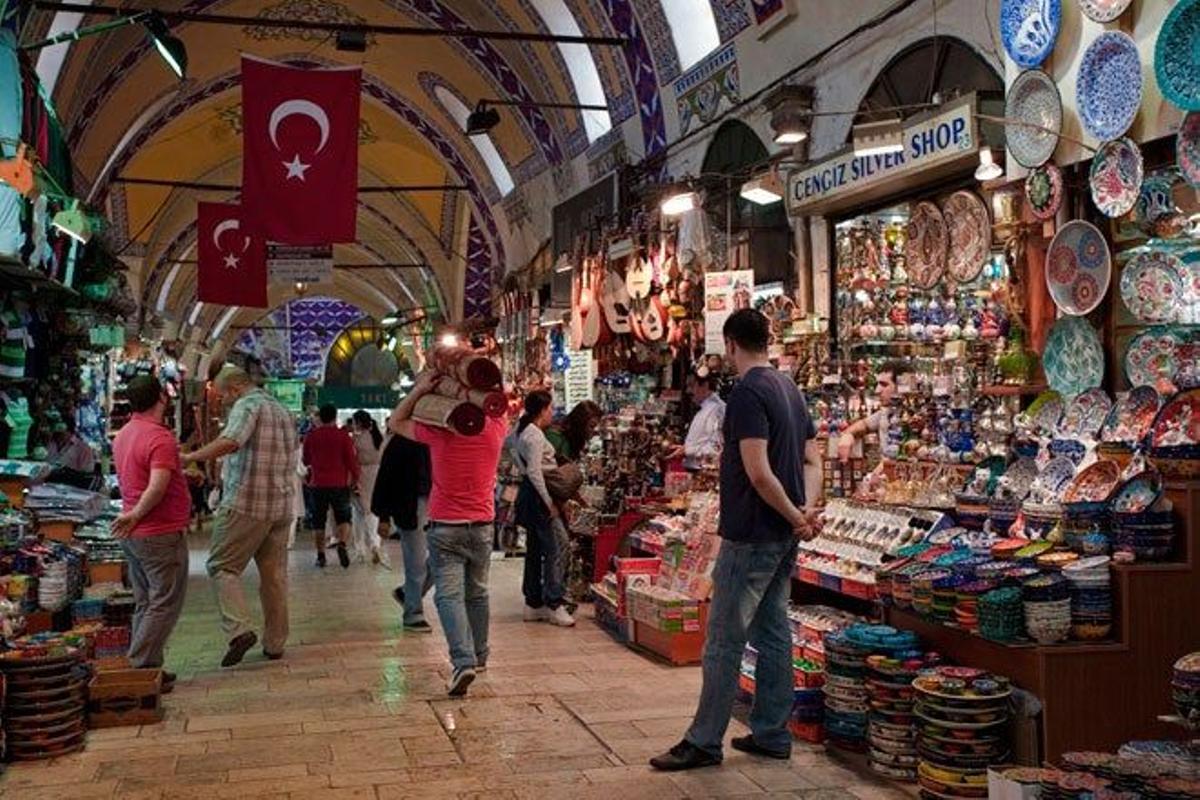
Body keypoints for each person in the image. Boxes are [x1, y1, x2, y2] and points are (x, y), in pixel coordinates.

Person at [651, 308, 823, 772]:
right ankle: (771, 732)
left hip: (752, 533)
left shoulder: (747, 392)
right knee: (771, 634)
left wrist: (794, 516)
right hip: (783, 534)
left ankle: (705, 740)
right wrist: (805, 513)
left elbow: (758, 473)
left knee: (724, 641)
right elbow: (812, 458)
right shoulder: (789, 387)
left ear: (730, 344)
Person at [388, 368, 508, 697]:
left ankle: (463, 660)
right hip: (483, 525)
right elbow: (502, 401)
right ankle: (480, 656)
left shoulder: (439, 433)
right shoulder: (497, 428)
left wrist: (420, 389)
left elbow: (395, 421)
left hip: (445, 527)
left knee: (448, 596)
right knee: (478, 593)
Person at [183, 365, 298, 668]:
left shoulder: (248, 405)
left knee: (222, 566)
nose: (223, 402)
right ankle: (275, 643)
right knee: (274, 576)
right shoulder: (282, 410)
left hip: (247, 503)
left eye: (224, 397)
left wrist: (192, 457)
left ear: (234, 389)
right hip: (281, 505)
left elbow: (232, 440)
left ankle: (239, 630)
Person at [110, 375, 191, 691]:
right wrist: (136, 515)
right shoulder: (159, 438)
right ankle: (141, 667)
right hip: (158, 532)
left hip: (136, 535)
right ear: (162, 397)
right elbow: (156, 487)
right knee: (164, 602)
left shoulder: (124, 434)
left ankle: (151, 665)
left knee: (146, 601)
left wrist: (132, 517)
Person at [513, 391, 574, 628]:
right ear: (542, 410)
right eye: (550, 408)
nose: (552, 413)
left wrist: (522, 466)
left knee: (535, 548)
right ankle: (554, 602)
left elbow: (511, 450)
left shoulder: (521, 431)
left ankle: (533, 602)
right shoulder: (535, 435)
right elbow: (535, 472)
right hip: (539, 497)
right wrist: (548, 501)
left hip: (529, 494)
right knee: (558, 546)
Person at [376, 433, 434, 633]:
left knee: (440, 559)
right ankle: (413, 613)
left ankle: (407, 594)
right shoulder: (401, 441)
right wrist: (383, 516)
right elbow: (386, 477)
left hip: (437, 505)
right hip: (409, 506)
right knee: (416, 561)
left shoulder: (438, 437)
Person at [302, 404, 360, 569]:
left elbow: (306, 460)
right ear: (335, 417)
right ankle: (342, 543)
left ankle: (321, 556)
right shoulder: (343, 437)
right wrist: (356, 478)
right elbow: (351, 461)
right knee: (344, 518)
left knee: (318, 522)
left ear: (320, 417)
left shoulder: (311, 436)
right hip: (339, 484)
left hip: (317, 484)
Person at [836, 360, 909, 461]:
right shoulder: (886, 412)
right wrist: (847, 436)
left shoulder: (912, 418)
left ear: (901, 386)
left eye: (884, 385)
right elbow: (864, 425)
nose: (877, 391)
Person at [349, 410, 390, 567]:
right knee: (373, 510)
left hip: (362, 475)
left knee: (361, 511)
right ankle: (375, 545)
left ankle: (363, 548)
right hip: (378, 474)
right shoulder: (379, 437)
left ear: (358, 423)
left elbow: (352, 460)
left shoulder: (356, 440)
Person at [668, 372, 726, 470]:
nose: (688, 391)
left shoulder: (716, 409)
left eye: (691, 386)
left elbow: (717, 447)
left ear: (705, 385)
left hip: (704, 471)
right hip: (697, 468)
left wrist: (687, 450)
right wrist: (685, 449)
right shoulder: (706, 409)